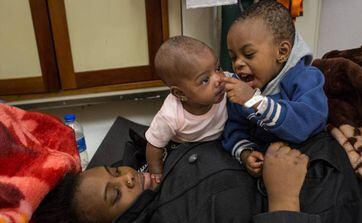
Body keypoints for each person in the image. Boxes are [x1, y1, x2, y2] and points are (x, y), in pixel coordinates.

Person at [33, 141, 318, 223]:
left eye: (115, 171)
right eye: (115, 195)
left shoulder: (155, 170)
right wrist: (284, 199)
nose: (128, 177)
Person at [221, 0, 328, 177]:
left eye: (248, 54)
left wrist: (255, 101)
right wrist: (246, 153)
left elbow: (304, 124)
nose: (238, 64)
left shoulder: (307, 78)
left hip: (307, 160)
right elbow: (234, 128)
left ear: (282, 52)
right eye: (233, 57)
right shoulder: (242, 91)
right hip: (267, 165)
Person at [144, 36, 227, 183]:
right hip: (188, 150)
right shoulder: (170, 115)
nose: (219, 79)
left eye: (218, 68)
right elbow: (154, 146)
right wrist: (156, 175)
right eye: (205, 80)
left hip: (222, 143)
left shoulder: (228, 85)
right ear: (180, 93)